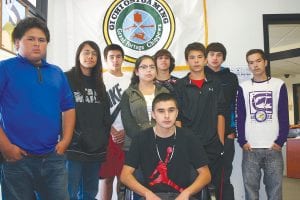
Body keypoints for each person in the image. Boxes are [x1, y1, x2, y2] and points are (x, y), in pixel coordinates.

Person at [0, 17, 75, 200]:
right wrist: (6, 147)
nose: (37, 44)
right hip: (17, 159)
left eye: (42, 40)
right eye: (30, 39)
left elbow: (69, 108)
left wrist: (65, 141)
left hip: (53, 158)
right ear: (17, 42)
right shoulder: (5, 69)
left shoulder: (56, 73)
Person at [121, 93, 211, 200]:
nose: (167, 116)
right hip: (151, 196)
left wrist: (187, 193)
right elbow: (125, 175)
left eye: (171, 110)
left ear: (177, 112)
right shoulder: (141, 138)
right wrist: (147, 194)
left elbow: (206, 174)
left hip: (183, 196)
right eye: (161, 111)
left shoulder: (189, 137)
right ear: (153, 114)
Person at [174, 42, 226, 200]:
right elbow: (177, 117)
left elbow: (221, 113)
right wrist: (180, 142)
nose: (196, 61)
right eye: (192, 58)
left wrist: (221, 142)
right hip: (189, 144)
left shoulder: (215, 84)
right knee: (190, 187)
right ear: (187, 61)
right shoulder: (180, 85)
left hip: (212, 145)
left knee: (214, 188)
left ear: (205, 60)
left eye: (199, 57)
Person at [236, 49, 289, 200]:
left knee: (275, 191)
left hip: (273, 147)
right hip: (250, 148)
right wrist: (242, 141)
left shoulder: (279, 85)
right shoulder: (243, 87)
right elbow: (241, 116)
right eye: (251, 62)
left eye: (258, 61)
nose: (255, 65)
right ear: (248, 66)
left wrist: (280, 141)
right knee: (250, 191)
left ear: (265, 62)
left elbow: (283, 115)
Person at [64, 40, 111, 200]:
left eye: (94, 53)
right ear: (78, 55)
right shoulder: (66, 78)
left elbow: (106, 115)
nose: (90, 56)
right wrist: (69, 137)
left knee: (90, 192)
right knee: (69, 192)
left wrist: (103, 138)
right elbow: (59, 110)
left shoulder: (99, 83)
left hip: (95, 148)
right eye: (86, 52)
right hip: (73, 147)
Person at [121, 55, 169, 199]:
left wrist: (157, 141)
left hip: (161, 147)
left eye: (152, 67)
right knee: (139, 188)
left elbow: (170, 119)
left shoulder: (165, 92)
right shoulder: (129, 94)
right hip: (134, 148)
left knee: (159, 187)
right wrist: (146, 141)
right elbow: (128, 123)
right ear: (136, 71)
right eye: (144, 67)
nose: (148, 70)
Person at [205, 42, 238, 200]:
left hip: (226, 135)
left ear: (223, 58)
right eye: (212, 54)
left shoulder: (230, 78)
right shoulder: (199, 75)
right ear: (206, 57)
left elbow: (235, 105)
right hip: (204, 136)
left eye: (219, 55)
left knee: (224, 177)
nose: (215, 58)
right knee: (202, 176)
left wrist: (232, 131)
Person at [98, 44, 131, 200]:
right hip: (106, 135)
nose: (115, 60)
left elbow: (133, 108)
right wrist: (112, 130)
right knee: (107, 178)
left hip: (126, 135)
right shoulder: (99, 79)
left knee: (123, 178)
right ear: (106, 59)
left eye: (118, 56)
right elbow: (96, 110)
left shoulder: (130, 80)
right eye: (111, 57)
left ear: (122, 58)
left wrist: (126, 130)